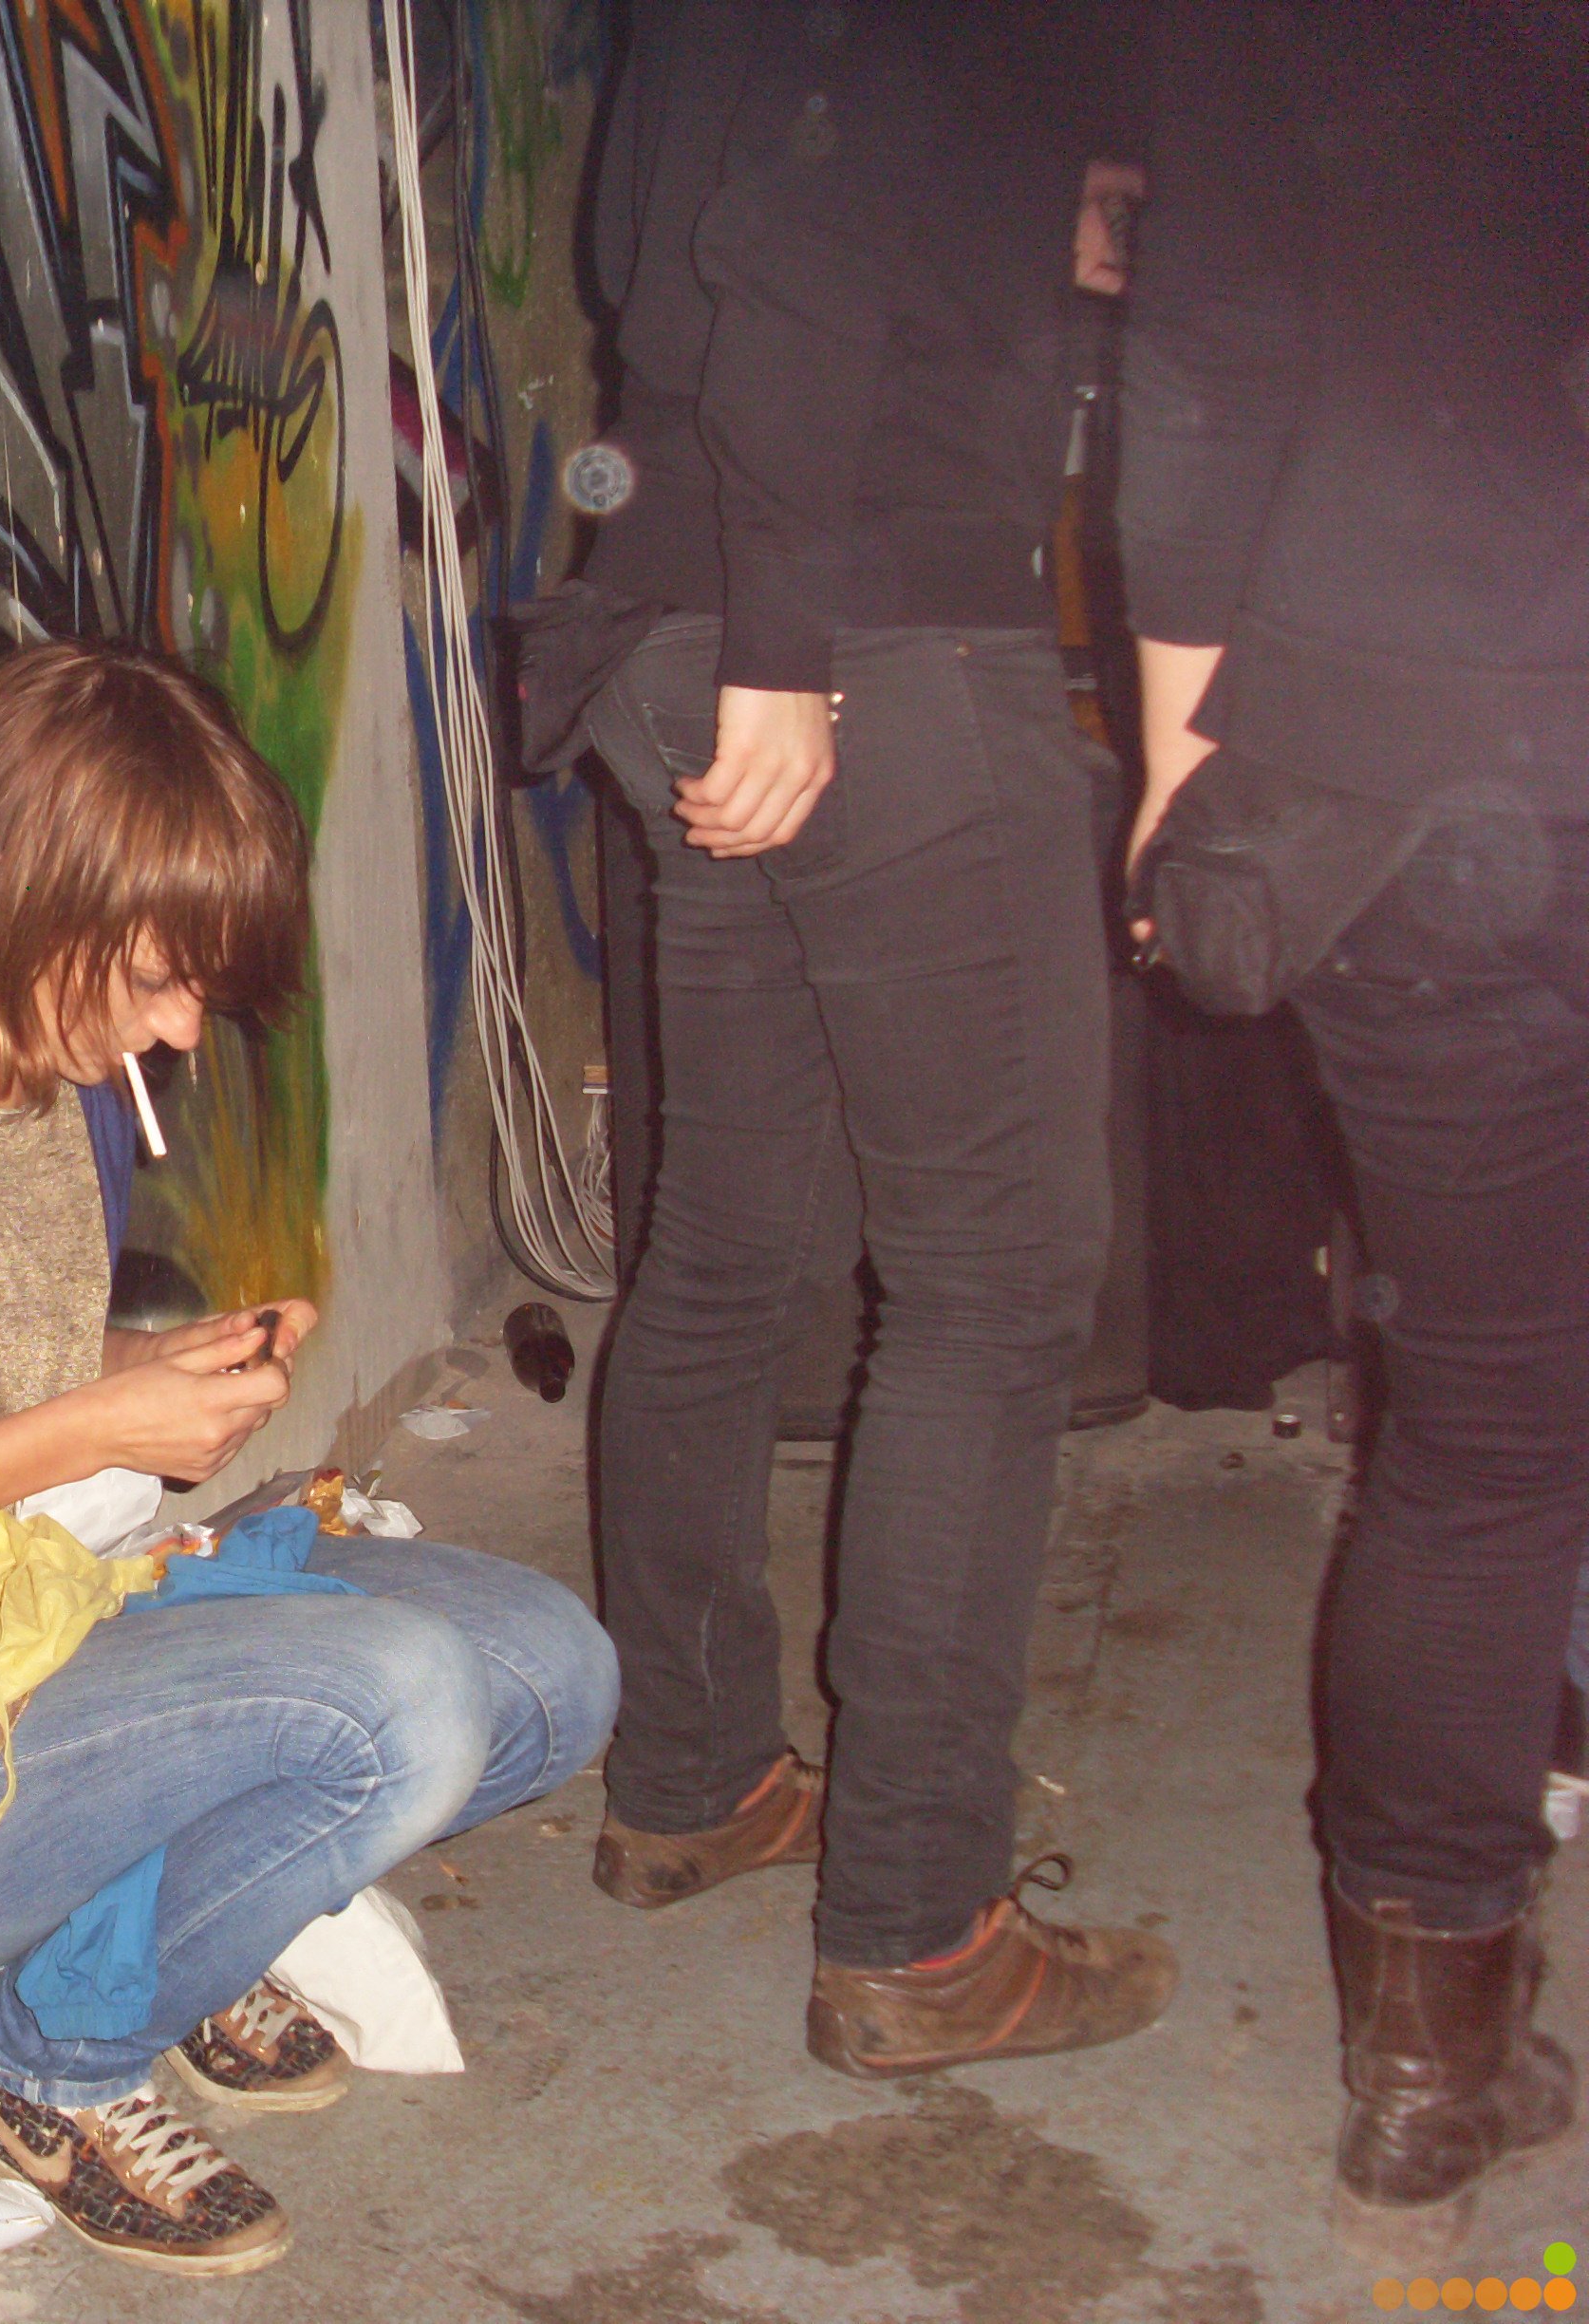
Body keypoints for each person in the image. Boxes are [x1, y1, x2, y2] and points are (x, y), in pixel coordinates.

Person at [0, 640, 617, 2277]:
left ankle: (164, 1935)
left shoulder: (55, 1071)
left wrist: (156, 1366)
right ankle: (48, 2064)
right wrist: (95, 1428)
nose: (179, 1026)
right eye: (156, 977)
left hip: (23, 1612)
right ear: (25, 894)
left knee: (556, 1672)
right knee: (408, 1702)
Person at [570, 0, 1174, 2074]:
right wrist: (790, 646)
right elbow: (799, 250)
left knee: (727, 1247)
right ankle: (923, 1931)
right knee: (994, 1285)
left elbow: (682, 246)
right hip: (860, 648)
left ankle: (694, 1781)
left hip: (685, 620)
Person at [1119, 1, 1589, 2261]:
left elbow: (1200, 399)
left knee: (1479, 1433)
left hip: (1395, 778)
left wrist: (1171, 778)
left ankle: (1425, 2067)